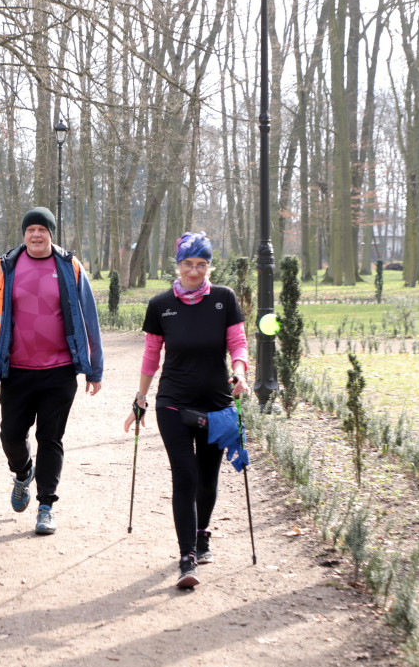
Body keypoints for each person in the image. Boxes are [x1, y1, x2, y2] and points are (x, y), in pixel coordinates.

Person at [123, 231, 249, 588]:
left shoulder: (224, 299)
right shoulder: (160, 305)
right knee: (186, 475)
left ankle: (202, 532)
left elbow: (238, 343)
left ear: (210, 265)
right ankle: (187, 557)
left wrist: (239, 373)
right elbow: (151, 356)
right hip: (173, 403)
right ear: (177, 265)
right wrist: (141, 399)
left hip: (217, 404)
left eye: (202, 264)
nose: (194, 271)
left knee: (208, 478)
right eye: (188, 264)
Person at [0, 207, 103, 536]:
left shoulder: (70, 267)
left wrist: (94, 369)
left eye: (42, 229)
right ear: (23, 234)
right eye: (30, 229)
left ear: (51, 233)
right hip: (16, 369)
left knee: (51, 438)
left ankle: (46, 506)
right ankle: (22, 472)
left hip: (59, 371)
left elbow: (90, 317)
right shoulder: (4, 268)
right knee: (10, 436)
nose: (36, 235)